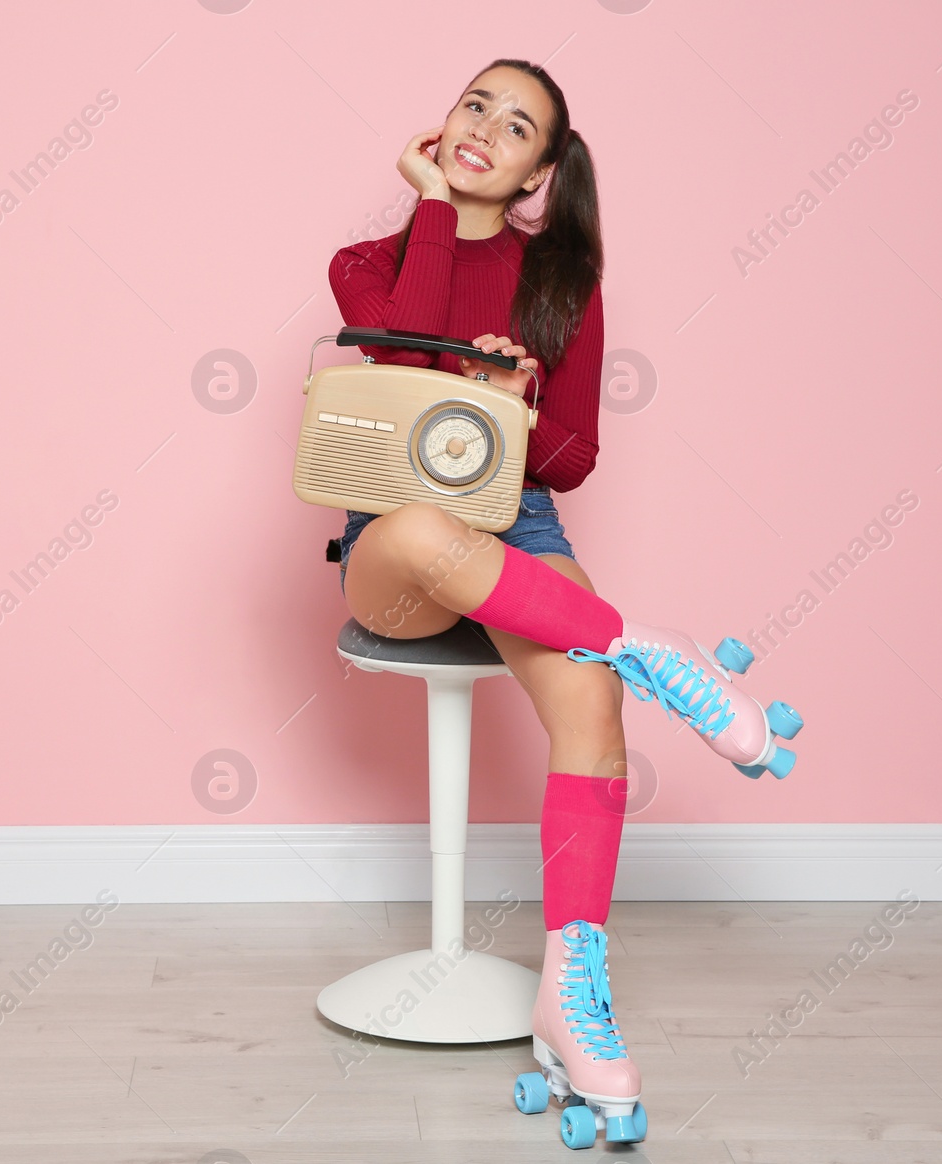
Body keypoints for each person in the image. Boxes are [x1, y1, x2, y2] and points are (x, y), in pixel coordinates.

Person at [325, 58, 799, 1146]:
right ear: (442, 124)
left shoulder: (564, 284)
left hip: (517, 527)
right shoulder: (367, 259)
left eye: (517, 124)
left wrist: (515, 406)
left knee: (591, 705)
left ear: (543, 167)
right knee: (412, 528)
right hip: (395, 545)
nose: (485, 127)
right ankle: (650, 644)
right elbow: (393, 350)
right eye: (473, 104)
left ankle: (571, 998)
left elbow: (575, 460)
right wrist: (436, 208)